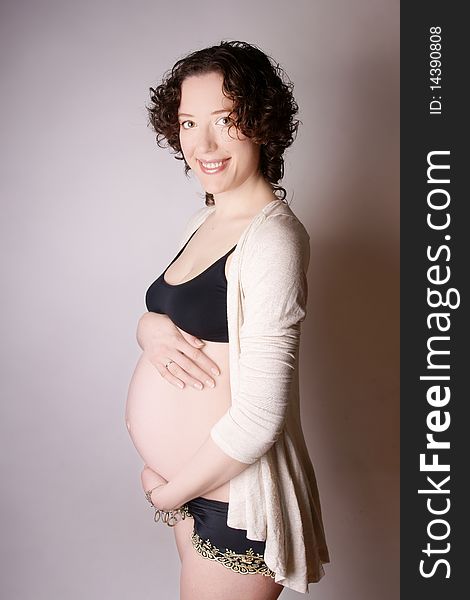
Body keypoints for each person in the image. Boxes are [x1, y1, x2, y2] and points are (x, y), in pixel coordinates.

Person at [125, 40, 330, 599]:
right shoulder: (207, 218)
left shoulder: (274, 240)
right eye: (189, 122)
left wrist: (169, 496)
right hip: (196, 490)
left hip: (232, 502)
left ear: (262, 123)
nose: (204, 144)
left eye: (226, 120)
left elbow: (263, 413)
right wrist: (148, 328)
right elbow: (174, 310)